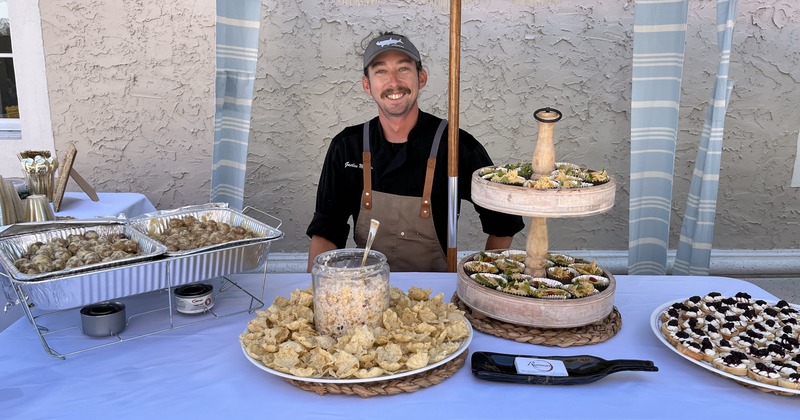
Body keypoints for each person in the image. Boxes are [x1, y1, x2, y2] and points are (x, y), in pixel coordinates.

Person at [306, 32, 524, 272]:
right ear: (367, 85)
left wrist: (485, 277)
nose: (393, 82)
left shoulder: (456, 146)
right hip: (368, 286)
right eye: (381, 71)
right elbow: (326, 231)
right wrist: (314, 288)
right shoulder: (347, 147)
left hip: (437, 290)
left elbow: (504, 222)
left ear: (421, 77)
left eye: (403, 69)